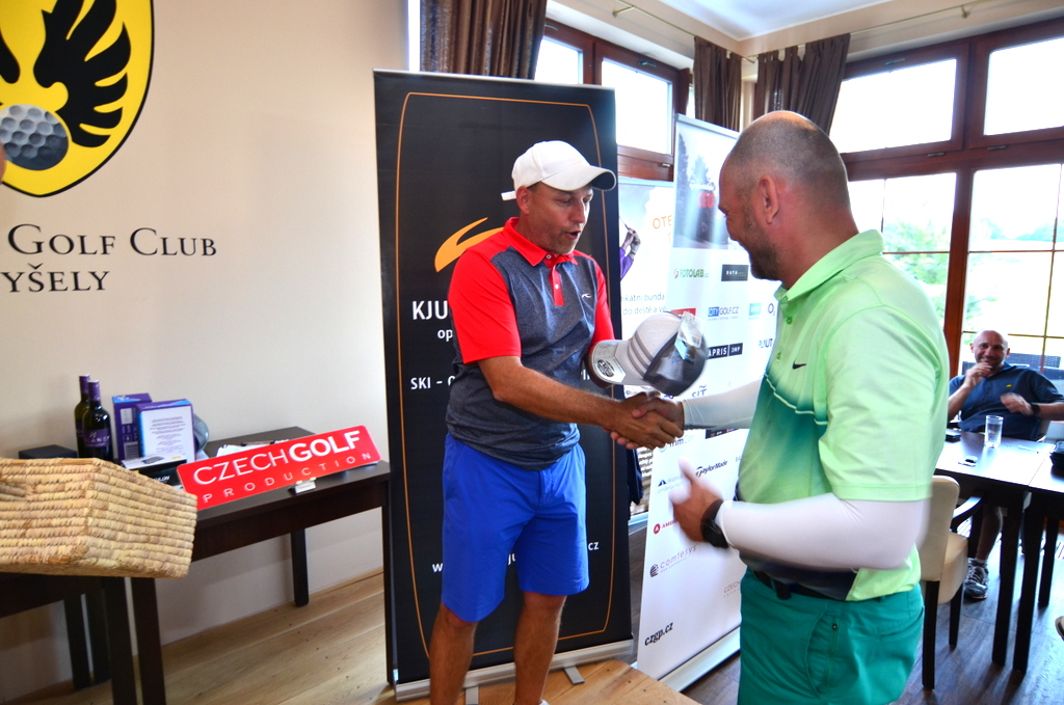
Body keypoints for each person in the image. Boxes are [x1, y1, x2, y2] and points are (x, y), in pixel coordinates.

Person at [623, 111, 949, 705]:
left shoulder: (869, 315)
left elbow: (880, 528)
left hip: (831, 624)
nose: (730, 232)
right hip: (794, 609)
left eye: (730, 213)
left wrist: (718, 520)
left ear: (768, 198)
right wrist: (685, 416)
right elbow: (781, 389)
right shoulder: (822, 295)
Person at [429, 140, 682, 705]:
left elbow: (601, 362)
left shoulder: (588, 270)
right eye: (565, 200)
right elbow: (507, 381)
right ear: (524, 198)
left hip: (560, 461)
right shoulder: (483, 265)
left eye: (586, 201)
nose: (580, 215)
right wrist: (614, 414)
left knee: (548, 599)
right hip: (487, 463)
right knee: (462, 611)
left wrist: (645, 386)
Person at [947, 328, 1064, 600]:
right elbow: (943, 416)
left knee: (990, 498)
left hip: (1015, 454)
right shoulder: (963, 380)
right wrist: (968, 386)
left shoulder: (1025, 377)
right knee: (932, 484)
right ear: (973, 349)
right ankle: (934, 555)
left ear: (1008, 352)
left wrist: (1032, 408)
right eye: (983, 346)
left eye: (997, 347)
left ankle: (978, 565)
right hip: (967, 450)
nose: (989, 352)